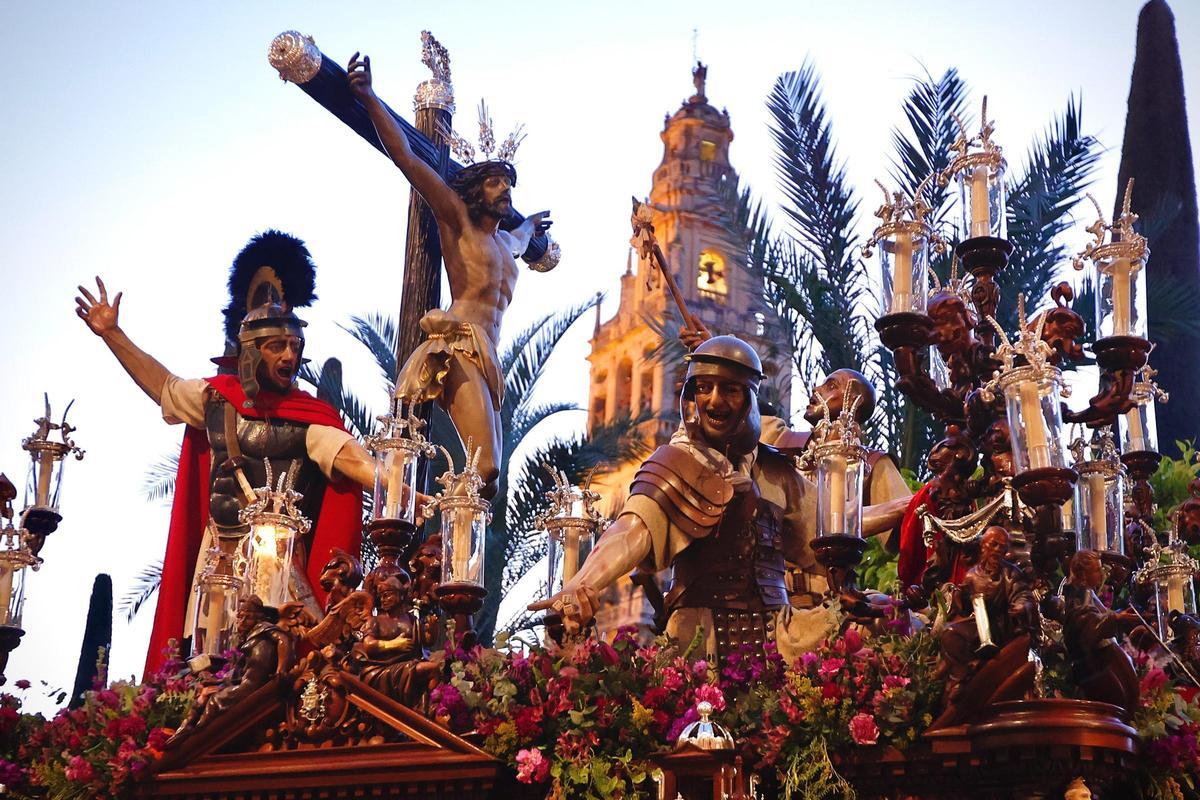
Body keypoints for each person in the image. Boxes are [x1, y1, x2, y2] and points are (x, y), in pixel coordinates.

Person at [75, 232, 373, 675]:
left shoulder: (310, 417)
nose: (290, 355)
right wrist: (113, 334)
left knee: (291, 661)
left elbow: (353, 460)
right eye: (278, 346)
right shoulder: (215, 400)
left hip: (281, 560)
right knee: (208, 663)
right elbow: (162, 386)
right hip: (217, 556)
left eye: (295, 347)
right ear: (252, 352)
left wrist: (405, 492)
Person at [532, 336, 908, 662]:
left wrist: (913, 503)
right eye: (704, 388)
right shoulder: (674, 462)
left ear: (749, 398)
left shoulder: (775, 469)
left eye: (729, 389)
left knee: (887, 617)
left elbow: (837, 523)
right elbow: (632, 530)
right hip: (700, 636)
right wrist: (581, 584)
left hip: (781, 632)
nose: (714, 401)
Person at [346, 53, 552, 493]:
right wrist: (369, 98)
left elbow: (521, 235)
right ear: (476, 190)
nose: (505, 191)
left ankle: (449, 531)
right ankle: (439, 520)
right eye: (496, 183)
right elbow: (406, 157)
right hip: (459, 344)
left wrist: (532, 225)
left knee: (492, 483)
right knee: (488, 467)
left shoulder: (506, 244)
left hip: (490, 355)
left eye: (509, 185)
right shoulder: (456, 221)